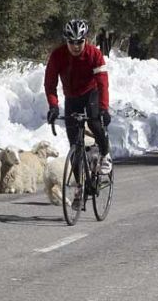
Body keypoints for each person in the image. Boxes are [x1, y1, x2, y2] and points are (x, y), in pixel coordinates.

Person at [44, 19, 112, 209]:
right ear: (66, 41)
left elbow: (103, 84)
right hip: (71, 97)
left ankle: (105, 154)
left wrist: (104, 108)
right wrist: (53, 106)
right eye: (71, 42)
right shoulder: (58, 55)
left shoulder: (94, 54)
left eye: (79, 42)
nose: (75, 46)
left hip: (91, 93)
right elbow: (50, 84)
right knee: (75, 145)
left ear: (85, 40)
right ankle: (80, 189)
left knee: (95, 122)